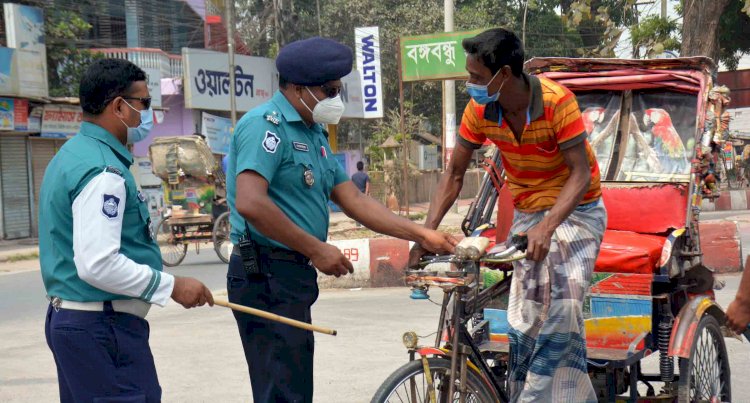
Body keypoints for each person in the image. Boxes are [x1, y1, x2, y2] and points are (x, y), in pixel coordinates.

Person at [226, 36, 457, 403]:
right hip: (266, 273)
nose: (336, 98)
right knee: (281, 390)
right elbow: (251, 203)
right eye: (329, 90)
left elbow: (351, 198)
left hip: (291, 274)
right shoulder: (264, 126)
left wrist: (421, 233)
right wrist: (317, 249)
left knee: (295, 385)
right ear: (299, 88)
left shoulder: (311, 131)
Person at [409, 28, 606, 402]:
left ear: (505, 74)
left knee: (562, 309)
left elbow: (580, 175)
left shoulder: (556, 102)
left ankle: (532, 398)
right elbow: (452, 175)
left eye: (476, 78)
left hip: (577, 213)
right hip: (529, 214)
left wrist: (548, 227)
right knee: (526, 317)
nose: (471, 85)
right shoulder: (480, 109)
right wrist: (424, 234)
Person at [39, 58, 214, 402]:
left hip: (81, 323)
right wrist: (172, 285)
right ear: (119, 106)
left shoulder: (72, 155)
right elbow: (98, 263)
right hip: (101, 329)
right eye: (144, 103)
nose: (146, 114)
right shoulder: (103, 171)